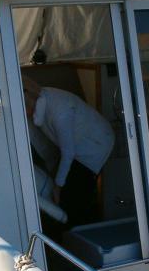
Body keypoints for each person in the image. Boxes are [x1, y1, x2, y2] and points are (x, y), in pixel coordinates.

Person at [22, 75, 115, 226]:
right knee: (68, 191)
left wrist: (59, 187)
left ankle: (81, 232)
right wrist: (56, 176)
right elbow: (50, 148)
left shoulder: (60, 112)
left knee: (76, 196)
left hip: (95, 144)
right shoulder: (41, 103)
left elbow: (68, 153)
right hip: (74, 145)